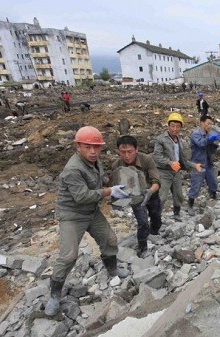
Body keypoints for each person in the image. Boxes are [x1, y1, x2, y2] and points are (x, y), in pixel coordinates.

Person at [45, 126, 131, 316]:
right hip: (72, 214)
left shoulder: (94, 161)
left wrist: (113, 183)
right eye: (88, 147)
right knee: (68, 256)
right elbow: (82, 196)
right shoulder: (72, 169)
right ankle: (54, 295)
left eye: (96, 147)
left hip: (91, 211)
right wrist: (109, 192)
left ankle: (113, 270)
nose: (93, 151)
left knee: (110, 240)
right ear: (78, 146)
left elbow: (99, 180)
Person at [111, 135, 161, 256]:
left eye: (130, 152)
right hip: (135, 197)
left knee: (156, 216)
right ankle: (142, 246)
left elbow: (156, 181)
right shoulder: (116, 165)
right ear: (119, 151)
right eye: (123, 152)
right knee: (143, 222)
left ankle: (154, 232)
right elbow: (116, 186)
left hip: (151, 193)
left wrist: (149, 192)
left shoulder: (146, 159)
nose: (127, 156)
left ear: (136, 149)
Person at [153, 112, 203, 222]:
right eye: (173, 126)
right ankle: (155, 219)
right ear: (168, 125)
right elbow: (156, 156)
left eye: (178, 126)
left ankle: (176, 213)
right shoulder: (161, 139)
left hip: (176, 172)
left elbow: (182, 160)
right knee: (162, 197)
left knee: (178, 194)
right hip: (164, 172)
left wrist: (194, 165)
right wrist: (170, 163)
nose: (175, 129)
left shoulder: (179, 141)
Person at [187, 115, 220, 215]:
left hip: (209, 162)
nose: (209, 126)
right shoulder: (196, 134)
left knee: (213, 181)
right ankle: (190, 204)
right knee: (196, 184)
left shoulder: (209, 133)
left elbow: (211, 149)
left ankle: (213, 197)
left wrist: (216, 143)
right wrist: (209, 139)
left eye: (211, 124)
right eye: (208, 123)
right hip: (198, 163)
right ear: (202, 123)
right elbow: (201, 144)